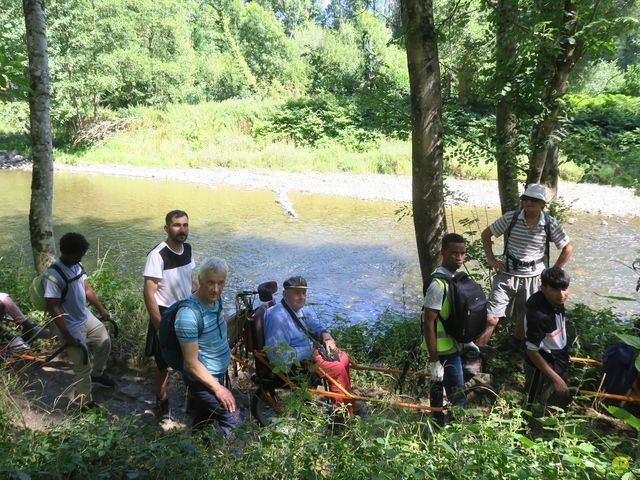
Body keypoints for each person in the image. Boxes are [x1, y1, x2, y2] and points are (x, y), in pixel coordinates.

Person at [477, 184, 573, 347]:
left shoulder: (549, 223)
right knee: (491, 317)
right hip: (506, 275)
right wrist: (492, 260)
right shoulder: (511, 218)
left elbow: (568, 247)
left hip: (534, 278)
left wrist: (553, 271)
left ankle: (516, 351)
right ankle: (475, 355)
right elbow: (486, 234)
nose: (529, 202)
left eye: (534, 200)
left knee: (525, 315)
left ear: (543, 203)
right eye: (526, 199)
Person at [263, 276, 353, 414]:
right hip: (296, 363)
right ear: (285, 294)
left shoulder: (301, 310)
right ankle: (342, 412)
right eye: (297, 293)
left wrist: (326, 337)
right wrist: (309, 350)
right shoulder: (278, 317)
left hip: (310, 352)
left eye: (304, 293)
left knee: (343, 358)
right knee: (337, 368)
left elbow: (316, 326)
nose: (302, 297)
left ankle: (346, 402)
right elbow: (278, 356)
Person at [44, 232, 113, 409]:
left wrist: (101, 310)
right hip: (68, 325)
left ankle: (97, 374)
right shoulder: (53, 275)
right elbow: (54, 307)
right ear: (68, 253)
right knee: (82, 364)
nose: (81, 256)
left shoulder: (77, 264)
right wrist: (67, 336)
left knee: (104, 341)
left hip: (84, 316)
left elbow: (87, 288)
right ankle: (85, 403)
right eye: (79, 254)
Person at [175, 257, 240, 436]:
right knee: (232, 418)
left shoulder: (215, 300)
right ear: (200, 280)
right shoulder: (188, 315)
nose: (216, 289)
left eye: (221, 283)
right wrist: (219, 389)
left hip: (215, 373)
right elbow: (191, 363)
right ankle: (228, 463)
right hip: (201, 377)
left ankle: (193, 450)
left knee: (205, 417)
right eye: (210, 282)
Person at [143, 209, 196, 422]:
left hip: (186, 312)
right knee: (163, 364)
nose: (181, 230)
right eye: (176, 225)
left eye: (185, 225)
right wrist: (159, 325)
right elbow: (149, 293)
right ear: (167, 228)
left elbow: (191, 281)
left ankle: (193, 399)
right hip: (165, 314)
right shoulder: (157, 255)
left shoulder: (188, 249)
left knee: (191, 359)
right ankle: (162, 401)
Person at [423, 233, 469, 424]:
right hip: (442, 350)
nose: (458, 258)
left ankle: (437, 423)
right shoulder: (438, 284)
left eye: (462, 253)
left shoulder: (455, 279)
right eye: (453, 253)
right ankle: (456, 429)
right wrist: (434, 361)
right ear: (443, 252)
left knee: (438, 386)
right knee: (457, 393)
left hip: (453, 344)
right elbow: (429, 322)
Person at [523, 267, 571, 417]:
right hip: (542, 365)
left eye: (564, 288)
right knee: (533, 404)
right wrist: (556, 379)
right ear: (543, 288)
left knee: (558, 400)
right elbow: (532, 351)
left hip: (558, 357)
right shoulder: (539, 316)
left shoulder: (555, 301)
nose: (562, 294)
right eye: (556, 289)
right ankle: (526, 432)